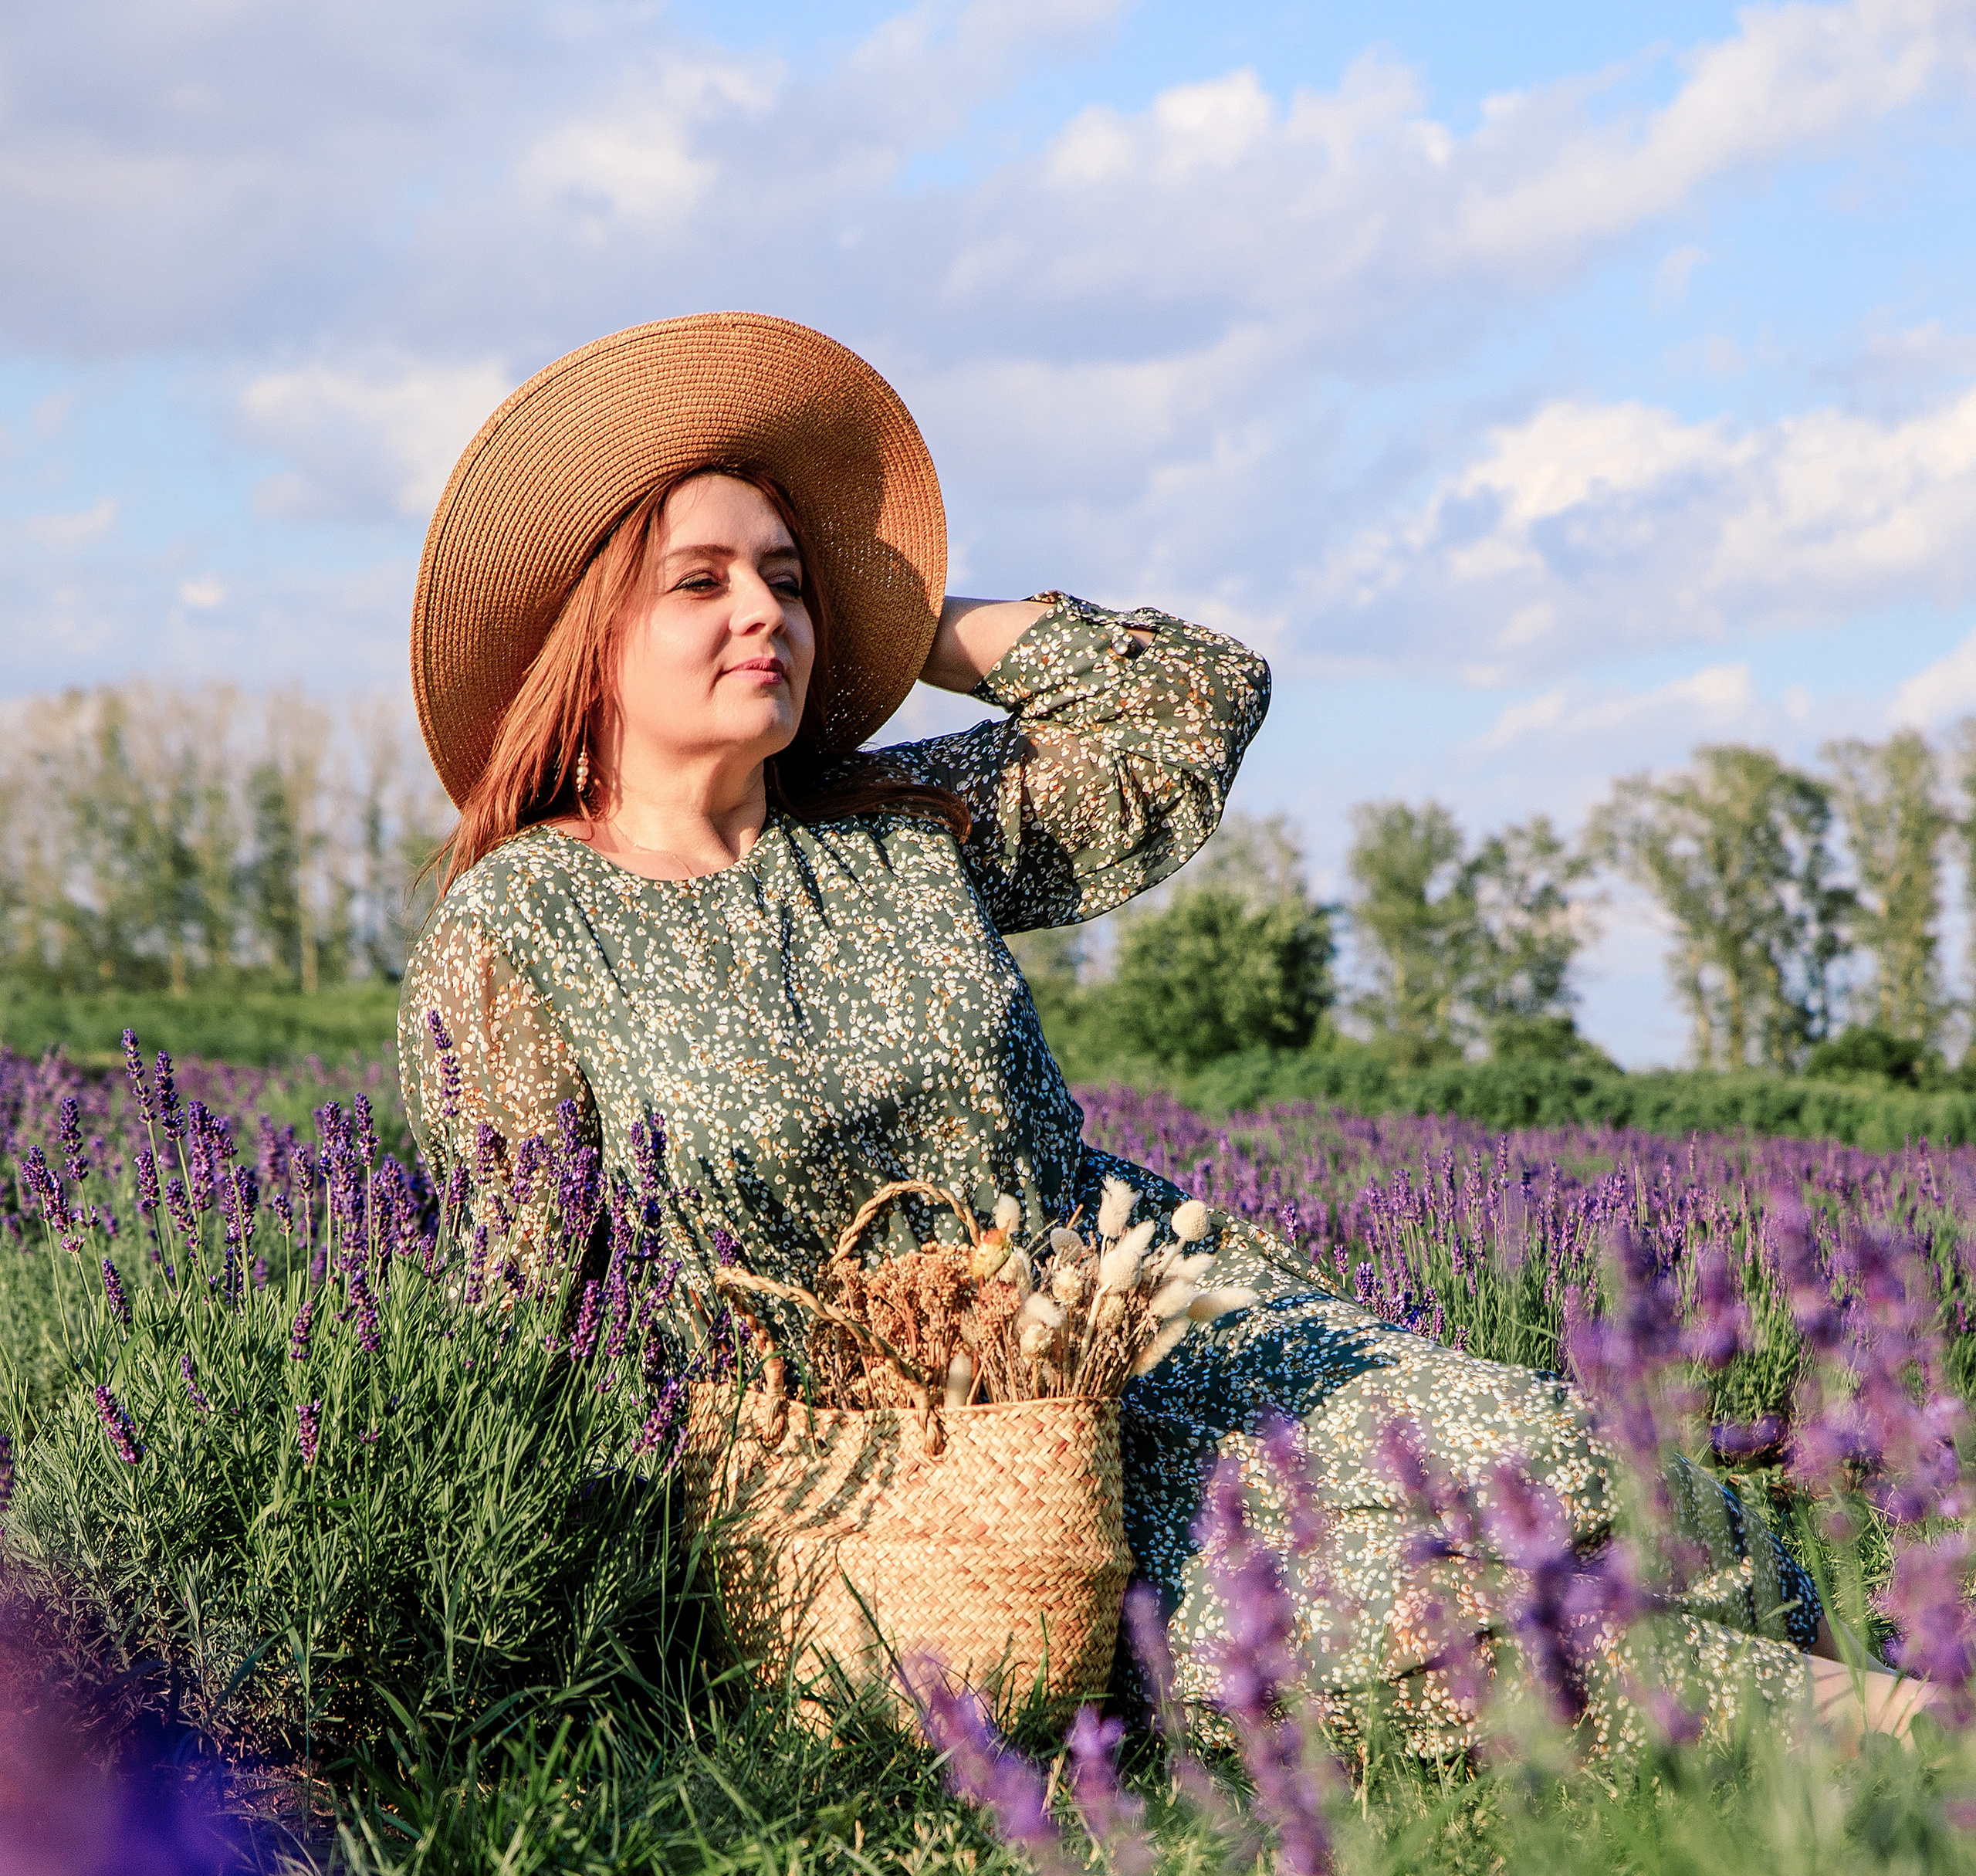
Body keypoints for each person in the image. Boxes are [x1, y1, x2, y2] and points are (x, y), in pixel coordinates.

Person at [400, 313, 1920, 1752]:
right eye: (701, 582)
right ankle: (1880, 1735)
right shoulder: (517, 932)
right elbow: (524, 1321)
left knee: (1568, 1462)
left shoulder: (898, 829)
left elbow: (1194, 706)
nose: (763, 615)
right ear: (586, 632)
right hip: (922, 1485)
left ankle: (1845, 1661)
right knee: (1442, 1625)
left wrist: (897, 614)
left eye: (787, 581)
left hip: (1166, 1323)